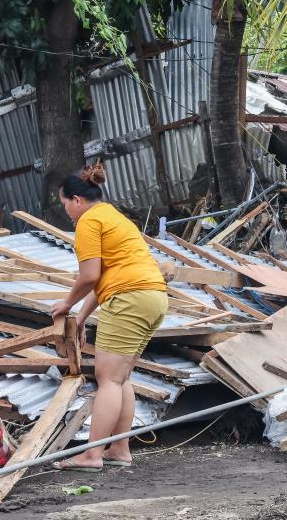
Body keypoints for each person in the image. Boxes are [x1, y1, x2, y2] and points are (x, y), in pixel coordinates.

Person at [50, 165, 168, 472]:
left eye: (65, 205)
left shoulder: (88, 221)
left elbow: (89, 275)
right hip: (152, 297)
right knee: (121, 377)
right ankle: (119, 448)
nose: (68, 213)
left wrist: (65, 303)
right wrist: (80, 317)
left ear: (76, 199)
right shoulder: (113, 216)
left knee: (108, 379)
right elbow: (104, 277)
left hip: (129, 298)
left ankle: (91, 454)